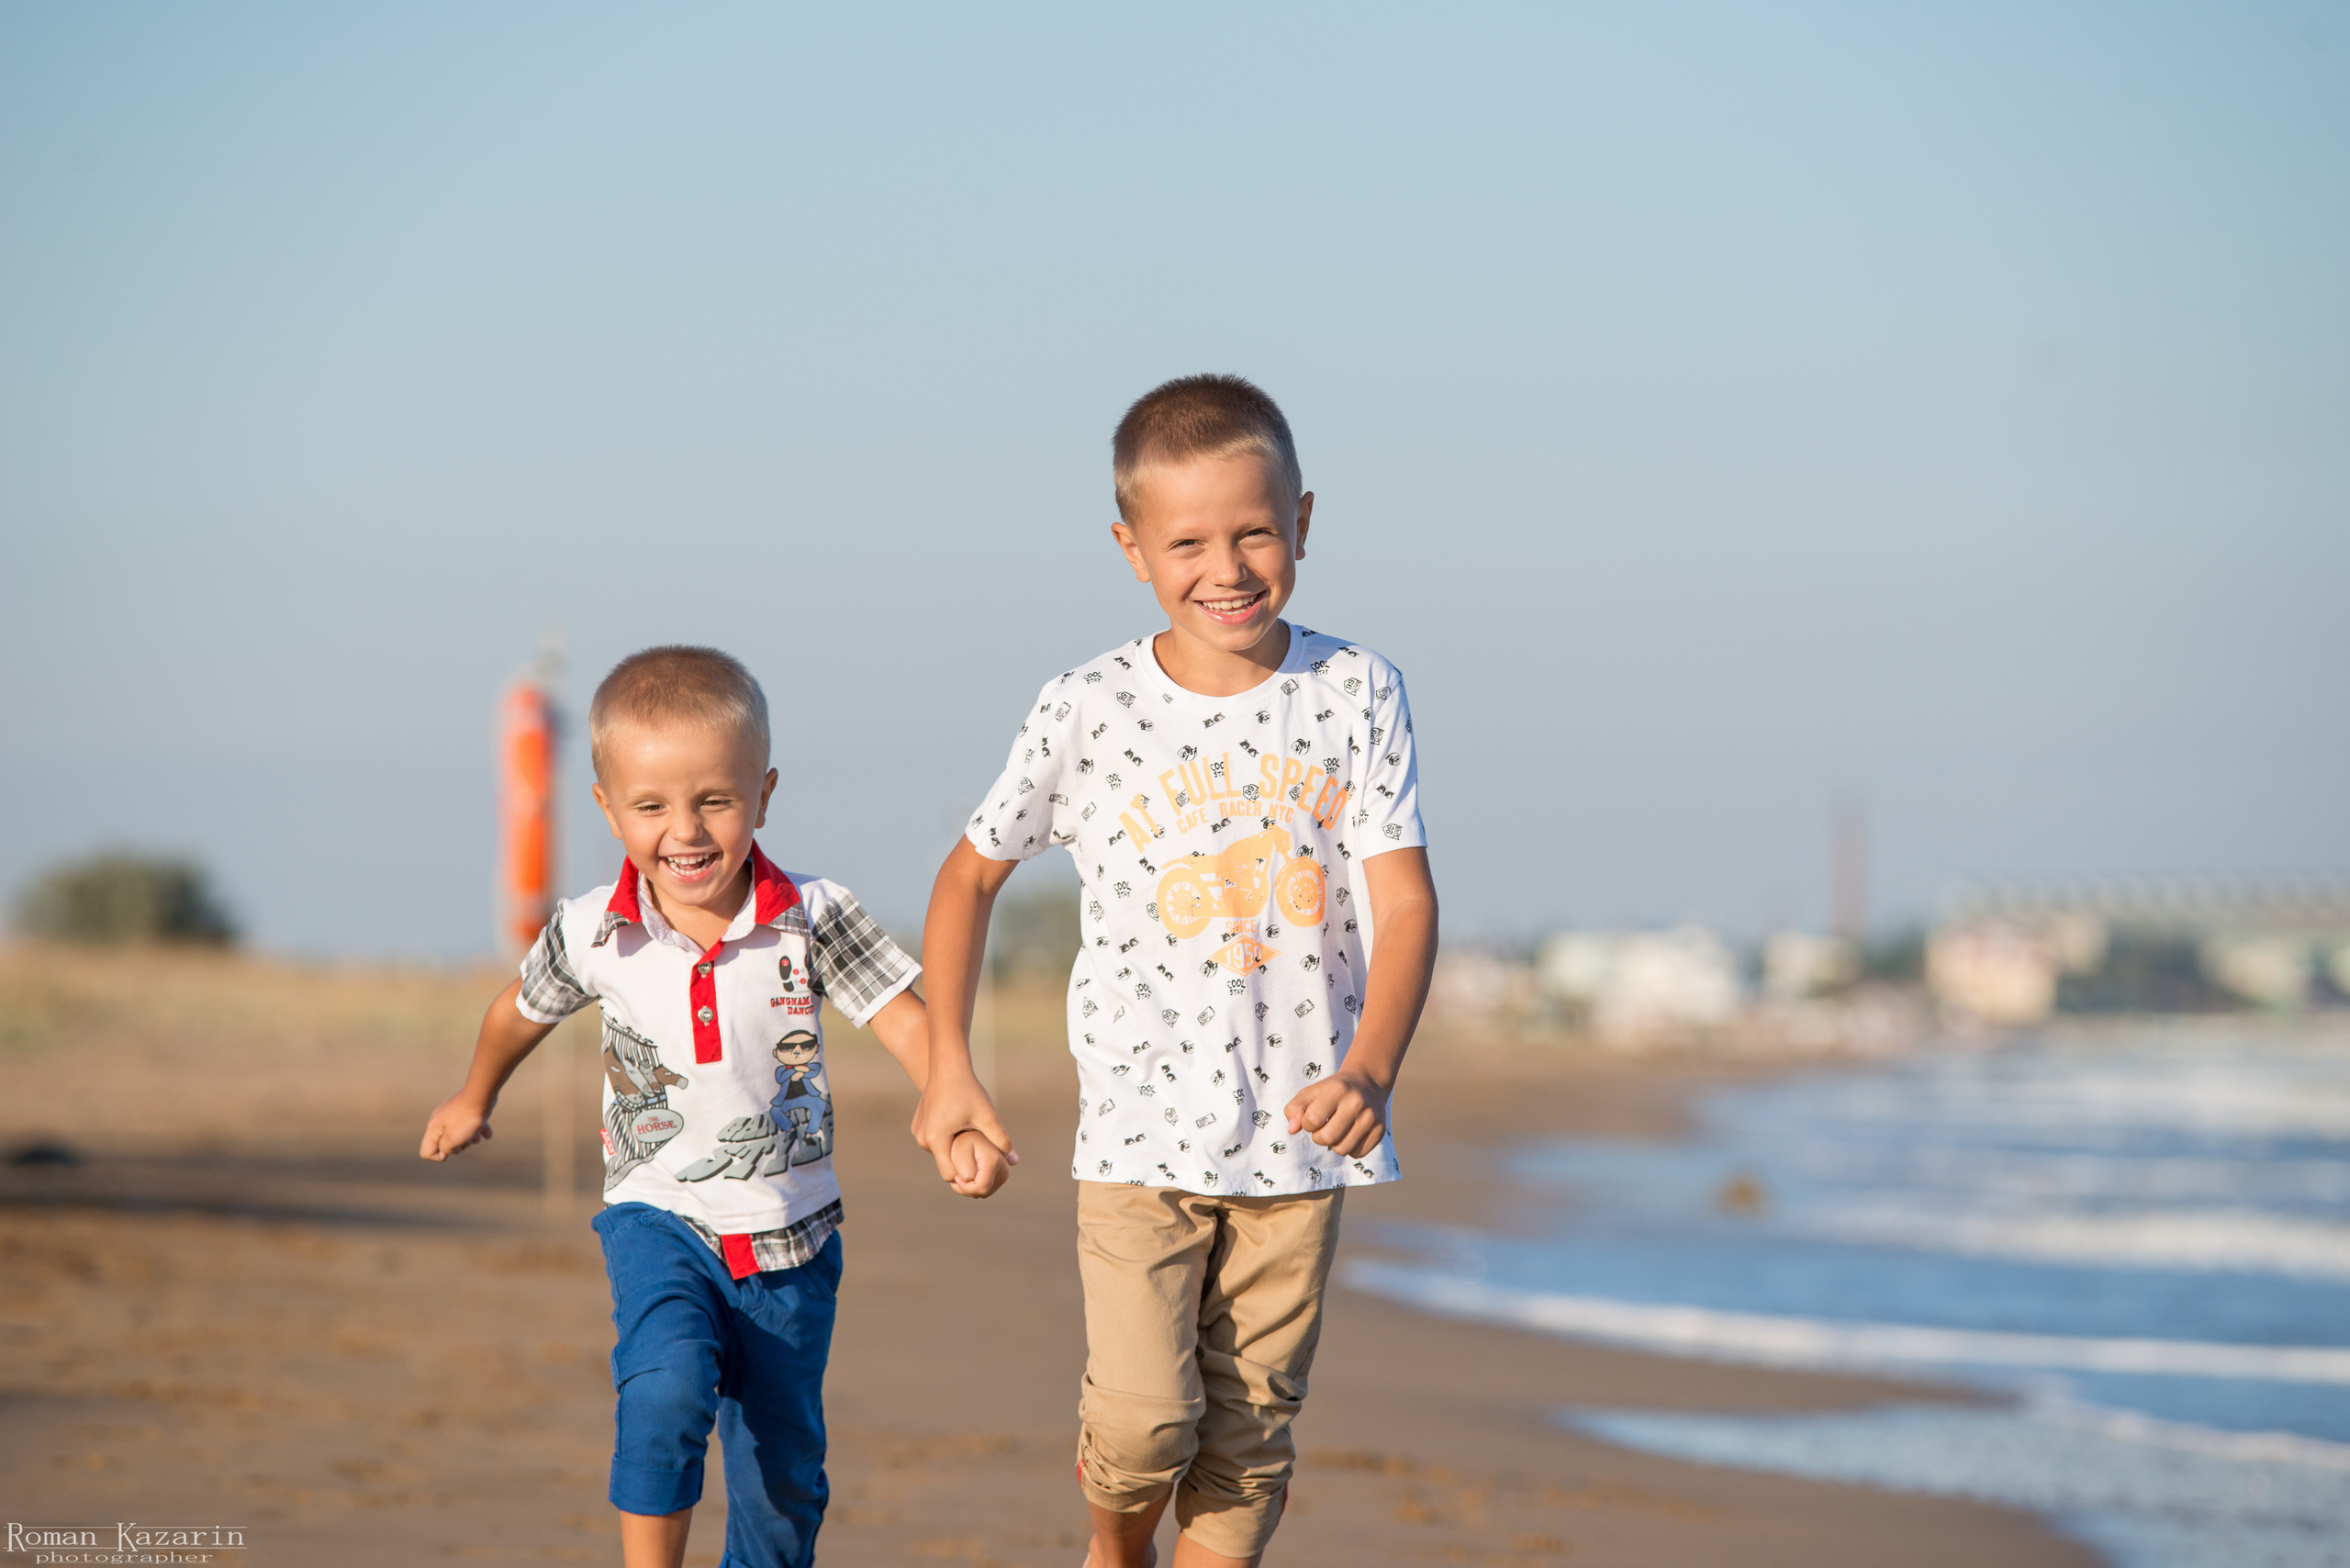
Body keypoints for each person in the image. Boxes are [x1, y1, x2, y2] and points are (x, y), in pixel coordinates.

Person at [915, 375, 1439, 1567]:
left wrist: (1372, 1068)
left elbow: (1403, 899)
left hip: (1303, 1141)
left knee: (1250, 1435)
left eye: (1256, 530)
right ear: (1132, 548)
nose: (1230, 566)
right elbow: (969, 877)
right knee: (1145, 1421)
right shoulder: (1088, 707)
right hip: (1140, 1136)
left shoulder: (1356, 691)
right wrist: (949, 1069)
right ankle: (1116, 1545)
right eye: (1188, 541)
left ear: (1303, 521)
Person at [420, 644, 1008, 1568]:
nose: (684, 830)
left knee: (784, 1487)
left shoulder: (812, 913)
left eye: (715, 800)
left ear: (763, 795)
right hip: (658, 1219)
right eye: (651, 806)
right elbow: (516, 1010)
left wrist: (953, 1098)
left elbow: (906, 1020)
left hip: (794, 1239)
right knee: (665, 1390)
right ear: (607, 806)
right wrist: (473, 1093)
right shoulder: (591, 929)